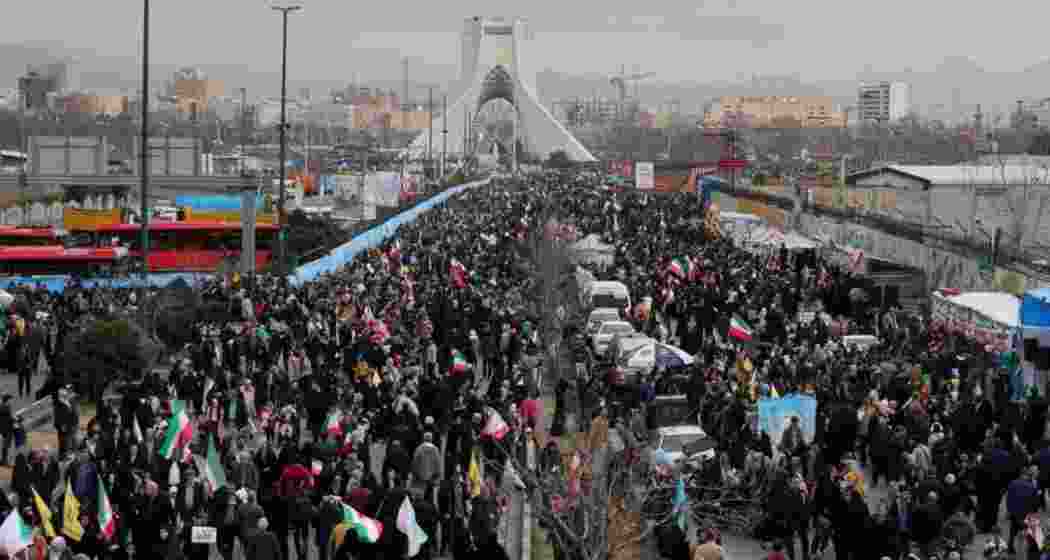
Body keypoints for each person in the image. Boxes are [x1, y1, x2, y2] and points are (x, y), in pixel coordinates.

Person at [0, 394, 14, 465]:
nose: (11, 401)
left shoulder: (3, 406)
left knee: (5, 445)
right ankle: (4, 460)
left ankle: (3, 460)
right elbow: (9, 418)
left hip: (4, 429)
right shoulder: (5, 407)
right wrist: (15, 419)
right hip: (7, 429)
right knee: (6, 445)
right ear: (7, 400)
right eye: (10, 400)